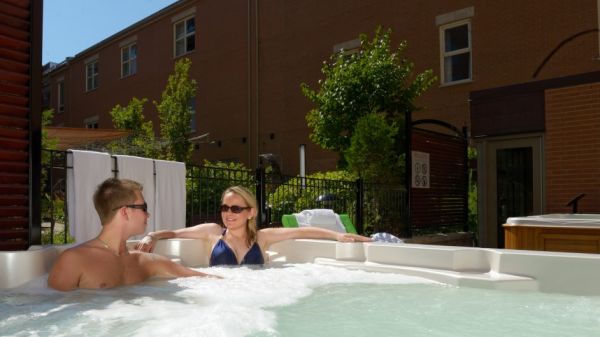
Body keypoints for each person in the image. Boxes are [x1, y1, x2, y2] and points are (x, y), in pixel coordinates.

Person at [48, 178, 220, 291]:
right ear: (125, 212)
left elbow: (204, 278)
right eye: (143, 208)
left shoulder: (144, 261)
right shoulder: (74, 260)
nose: (148, 215)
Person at [136, 185, 372, 266]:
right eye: (225, 208)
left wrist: (338, 236)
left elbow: (302, 231)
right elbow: (175, 233)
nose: (228, 214)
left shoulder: (262, 238)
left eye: (236, 209)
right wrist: (152, 236)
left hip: (255, 295)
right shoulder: (212, 233)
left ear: (251, 212)